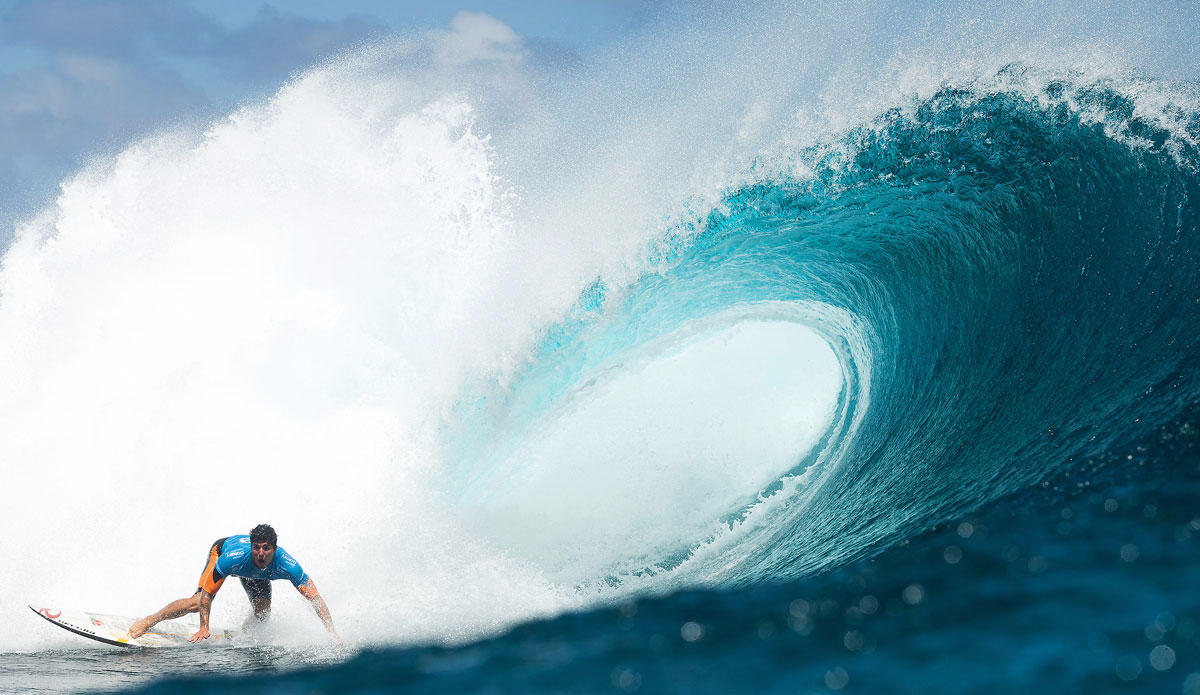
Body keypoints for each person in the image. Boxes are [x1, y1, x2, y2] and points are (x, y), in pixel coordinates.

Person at [128, 524, 339, 643]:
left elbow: (315, 599)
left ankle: (244, 631)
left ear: (275, 548)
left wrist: (332, 633)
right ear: (251, 546)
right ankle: (149, 621)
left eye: (266, 548)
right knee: (196, 602)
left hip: (254, 574)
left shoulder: (288, 566)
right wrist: (204, 627)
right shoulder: (233, 558)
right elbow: (207, 594)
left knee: (262, 613)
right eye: (256, 547)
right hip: (220, 550)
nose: (261, 553)